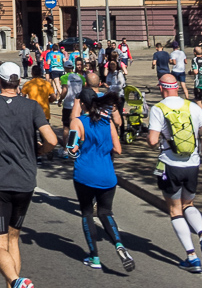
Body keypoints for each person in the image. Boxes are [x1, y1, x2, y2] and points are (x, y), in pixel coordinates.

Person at [0, 62, 58, 288]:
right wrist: (40, 150)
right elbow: (52, 141)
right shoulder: (32, 107)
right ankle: (15, 285)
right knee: (14, 238)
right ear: (18, 83)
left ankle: (16, 281)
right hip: (25, 181)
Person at [148, 73, 202, 273]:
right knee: (189, 204)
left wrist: (153, 139)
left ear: (161, 88)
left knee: (175, 210)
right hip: (193, 165)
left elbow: (153, 141)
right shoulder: (193, 107)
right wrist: (199, 150)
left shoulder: (158, 109)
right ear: (177, 87)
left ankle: (192, 257)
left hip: (169, 165)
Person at [68, 88, 134, 271]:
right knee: (106, 212)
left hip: (85, 174)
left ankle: (95, 257)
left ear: (82, 104)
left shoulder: (77, 122)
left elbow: (71, 148)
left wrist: (77, 147)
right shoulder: (108, 122)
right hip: (107, 175)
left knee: (87, 213)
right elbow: (118, 149)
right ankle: (119, 244)